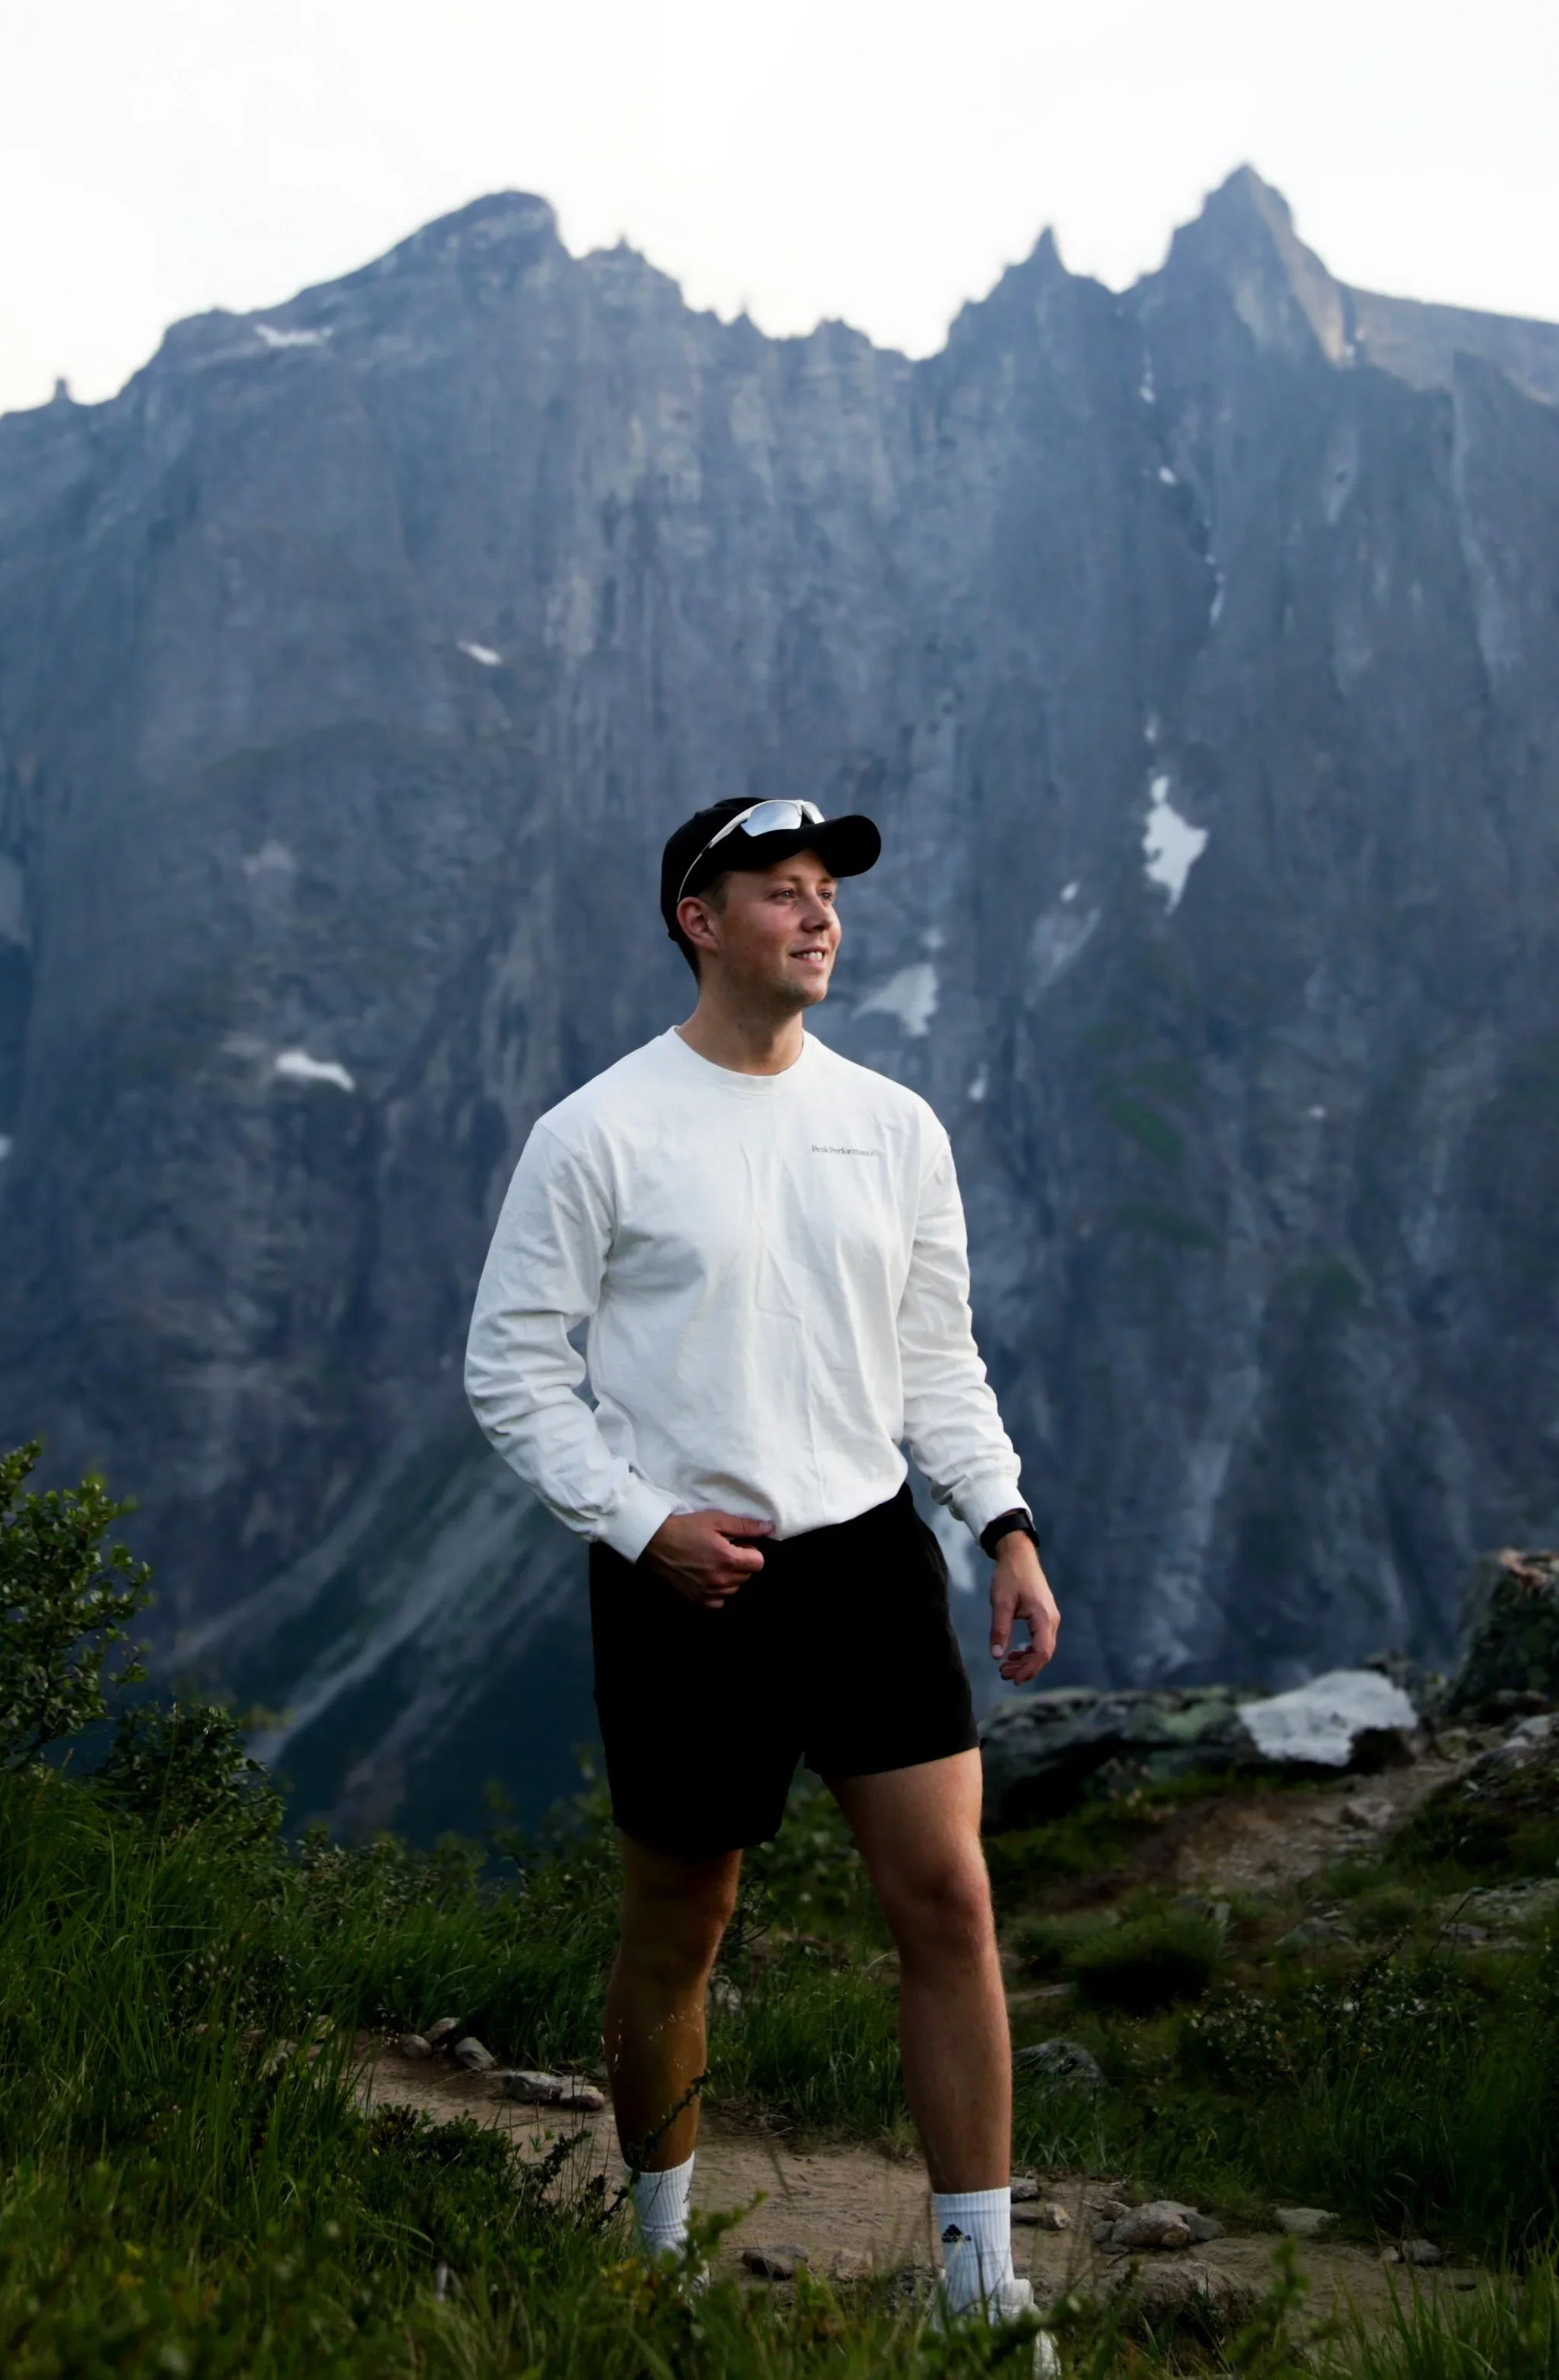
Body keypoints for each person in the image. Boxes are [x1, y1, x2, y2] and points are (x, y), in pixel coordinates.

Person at [465, 795, 1061, 2332]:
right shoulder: (597, 1131)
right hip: (687, 1579)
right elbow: (511, 1369)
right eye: (782, 890)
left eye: (826, 894)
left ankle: (982, 2296)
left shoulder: (893, 1124)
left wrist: (1001, 1523)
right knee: (683, 1926)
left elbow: (934, 1358)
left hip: (867, 1562)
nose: (818, 916)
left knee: (949, 1903)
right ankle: (655, 2256)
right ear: (699, 919)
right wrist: (637, 1522)